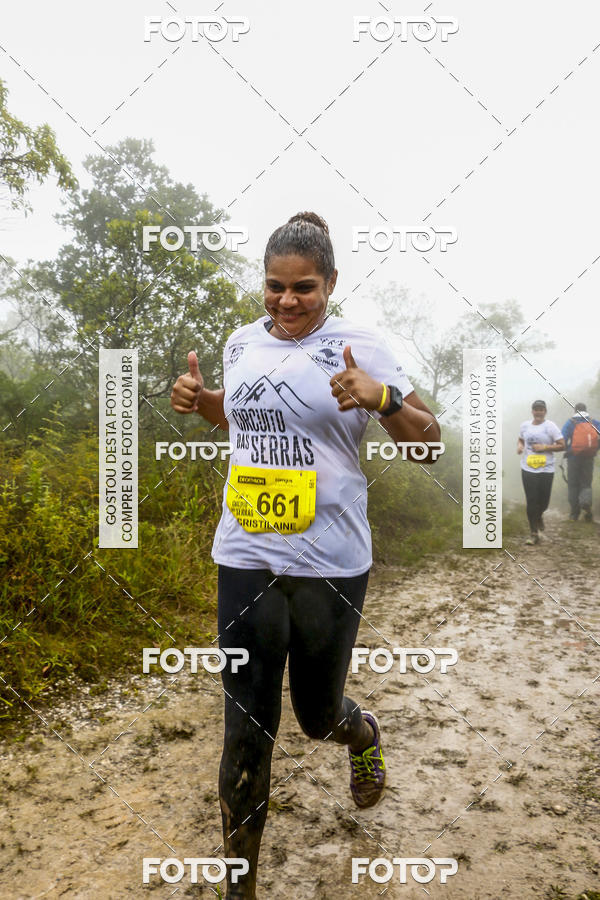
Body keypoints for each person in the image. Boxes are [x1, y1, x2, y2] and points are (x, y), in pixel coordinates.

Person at [170, 211, 441, 899]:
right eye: (275, 286)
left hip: (331, 563)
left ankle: (362, 730)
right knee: (247, 725)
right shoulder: (240, 343)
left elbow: (427, 440)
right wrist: (203, 403)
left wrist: (380, 399)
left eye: (304, 287)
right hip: (246, 552)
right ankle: (241, 887)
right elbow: (236, 415)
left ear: (331, 284)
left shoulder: (362, 345)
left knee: (316, 716)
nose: (287, 301)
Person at [517, 400, 565, 544]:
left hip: (546, 469)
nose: (538, 412)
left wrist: (544, 447)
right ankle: (533, 533)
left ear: (545, 412)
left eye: (541, 409)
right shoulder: (525, 426)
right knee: (531, 500)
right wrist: (520, 447)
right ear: (532, 411)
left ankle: (538, 516)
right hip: (528, 468)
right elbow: (521, 440)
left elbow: (562, 445)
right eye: (536, 409)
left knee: (544, 502)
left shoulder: (550, 426)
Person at [561, 402, 600, 522]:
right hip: (589, 458)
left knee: (573, 484)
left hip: (573, 458)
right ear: (586, 410)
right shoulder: (593, 422)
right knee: (586, 483)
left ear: (575, 410)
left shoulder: (570, 422)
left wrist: (567, 451)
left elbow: (562, 439)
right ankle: (587, 506)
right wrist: (595, 450)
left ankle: (574, 514)